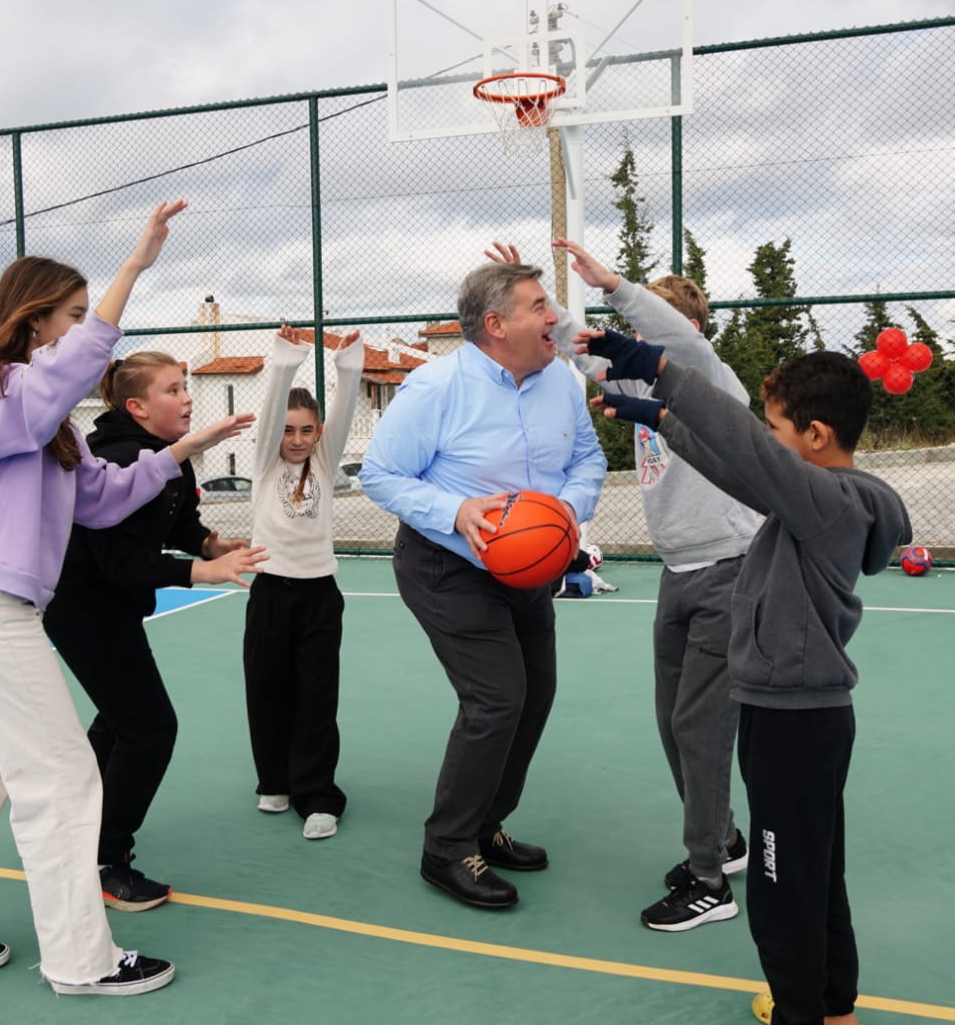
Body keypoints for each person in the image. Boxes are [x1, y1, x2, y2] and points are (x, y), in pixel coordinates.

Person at [0, 200, 253, 998]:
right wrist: (135, 266)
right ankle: (81, 960)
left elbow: (103, 497)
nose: (86, 331)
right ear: (34, 319)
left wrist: (183, 449)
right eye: (74, 317)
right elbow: (75, 365)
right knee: (64, 778)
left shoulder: (50, 426)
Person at [580, 328, 910, 1025]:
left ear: (815, 435)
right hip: (794, 711)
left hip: (794, 720)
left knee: (780, 882)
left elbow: (751, 453)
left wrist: (661, 370)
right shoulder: (824, 496)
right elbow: (743, 469)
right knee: (815, 873)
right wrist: (664, 422)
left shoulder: (827, 503)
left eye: (779, 426)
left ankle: (801, 1012)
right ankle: (831, 1007)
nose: (769, 435)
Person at [495, 240, 759, 931]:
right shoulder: (639, 388)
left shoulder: (710, 378)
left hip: (729, 569)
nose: (636, 344)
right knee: (676, 723)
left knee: (700, 730)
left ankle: (709, 881)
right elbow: (576, 346)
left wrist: (613, 285)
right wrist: (535, 291)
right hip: (680, 571)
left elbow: (675, 340)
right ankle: (723, 840)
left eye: (649, 332)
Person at [360, 260, 606, 909]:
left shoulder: (561, 382)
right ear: (496, 325)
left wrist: (566, 515)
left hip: (528, 563)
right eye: (538, 305)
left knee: (535, 693)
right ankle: (445, 848)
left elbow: (588, 458)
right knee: (497, 697)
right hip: (447, 564)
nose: (553, 315)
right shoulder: (436, 386)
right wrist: (457, 512)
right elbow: (380, 474)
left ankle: (485, 824)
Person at [42, 350, 266, 911]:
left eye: (185, 384)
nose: (187, 396)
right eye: (173, 389)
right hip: (81, 607)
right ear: (137, 406)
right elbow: (117, 562)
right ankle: (105, 860)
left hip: (107, 606)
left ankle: (76, 829)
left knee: (121, 723)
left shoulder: (166, 456)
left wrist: (210, 542)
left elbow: (176, 518)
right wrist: (202, 570)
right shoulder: (115, 459)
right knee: (149, 729)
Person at [242, 325, 364, 840]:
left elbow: (344, 409)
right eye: (289, 430)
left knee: (316, 698)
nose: (296, 440)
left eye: (305, 430)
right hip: (269, 592)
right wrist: (286, 361)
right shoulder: (264, 464)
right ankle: (275, 780)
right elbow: (269, 417)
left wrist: (349, 366)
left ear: (317, 433)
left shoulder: (324, 459)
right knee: (267, 692)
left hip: (318, 595)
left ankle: (317, 796)